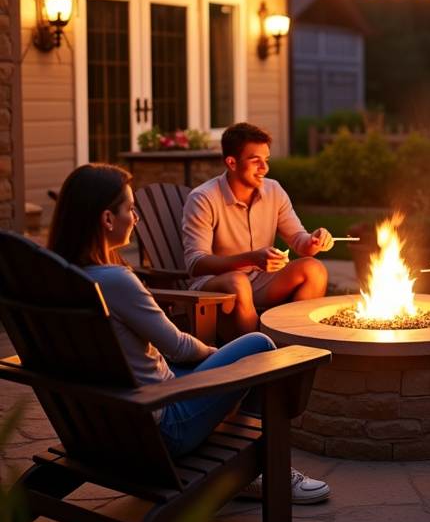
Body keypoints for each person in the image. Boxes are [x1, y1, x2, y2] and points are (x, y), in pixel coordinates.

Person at [47, 163, 330, 504]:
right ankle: (258, 469)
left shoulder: (58, 281)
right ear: (107, 220)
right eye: (130, 209)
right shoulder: (116, 281)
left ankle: (242, 450)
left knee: (224, 364)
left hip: (97, 425)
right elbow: (179, 347)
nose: (135, 217)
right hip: (162, 427)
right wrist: (219, 359)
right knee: (259, 347)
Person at [183, 122, 333, 340]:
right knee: (238, 281)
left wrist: (314, 240)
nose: (265, 168)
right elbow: (196, 264)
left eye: (266, 160)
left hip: (261, 281)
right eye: (256, 161)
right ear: (232, 163)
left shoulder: (274, 191)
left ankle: (294, 343)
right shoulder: (203, 199)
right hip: (214, 284)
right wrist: (251, 258)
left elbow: (300, 241)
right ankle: (256, 356)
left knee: (314, 269)